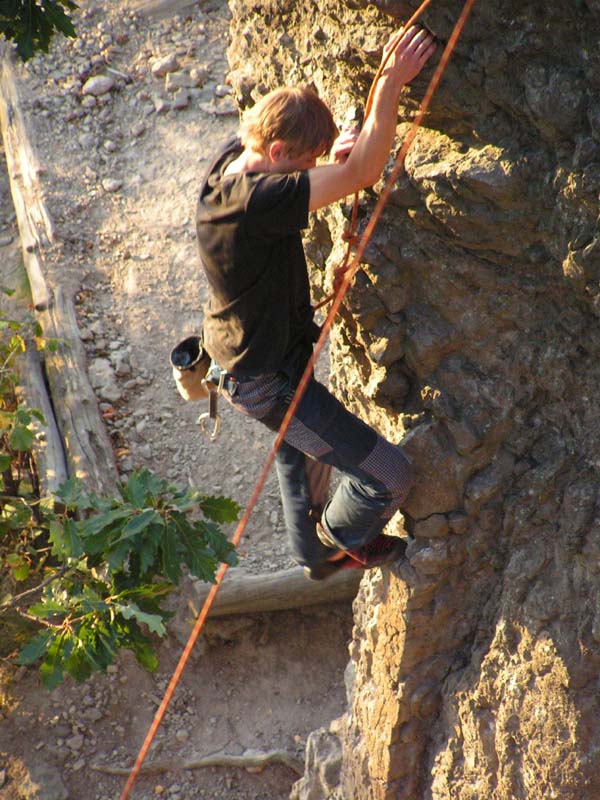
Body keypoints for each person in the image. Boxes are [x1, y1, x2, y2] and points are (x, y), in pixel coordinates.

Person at [192, 26, 436, 579]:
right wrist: (390, 86)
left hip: (247, 356)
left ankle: (309, 552)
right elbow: (362, 174)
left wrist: (328, 160)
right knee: (388, 476)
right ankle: (334, 543)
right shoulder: (259, 202)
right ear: (277, 152)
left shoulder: (233, 161)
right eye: (304, 166)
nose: (308, 176)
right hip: (266, 380)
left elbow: (328, 173)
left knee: (299, 446)